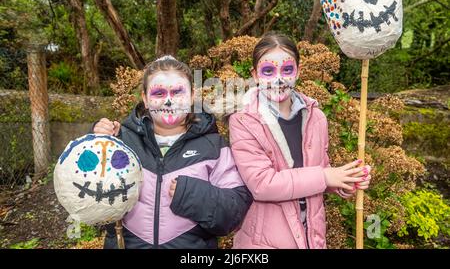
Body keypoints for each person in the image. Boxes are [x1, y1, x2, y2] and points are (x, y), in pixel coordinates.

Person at [228, 33, 372, 249]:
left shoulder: (316, 117)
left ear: (298, 71)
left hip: (311, 239)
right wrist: (325, 176)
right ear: (255, 75)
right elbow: (262, 184)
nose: (279, 79)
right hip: (263, 244)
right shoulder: (243, 121)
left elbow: (320, 171)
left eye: (287, 70)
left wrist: (344, 181)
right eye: (268, 71)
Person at [93, 55, 252, 249]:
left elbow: (234, 213)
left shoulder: (214, 146)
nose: (169, 101)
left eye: (178, 92)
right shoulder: (123, 142)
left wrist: (192, 195)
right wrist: (98, 143)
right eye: (159, 93)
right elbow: (91, 200)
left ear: (193, 95)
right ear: (145, 98)